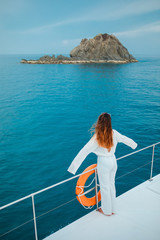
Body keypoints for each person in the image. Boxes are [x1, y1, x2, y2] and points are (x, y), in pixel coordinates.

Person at [67, 113, 138, 216]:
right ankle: (114, 209)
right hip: (113, 161)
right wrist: (134, 145)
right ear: (110, 123)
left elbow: (84, 151)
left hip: (104, 162)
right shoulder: (114, 133)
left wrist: (73, 169)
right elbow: (125, 139)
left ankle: (107, 211)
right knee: (111, 185)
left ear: (99, 122)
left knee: (104, 187)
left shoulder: (97, 137)